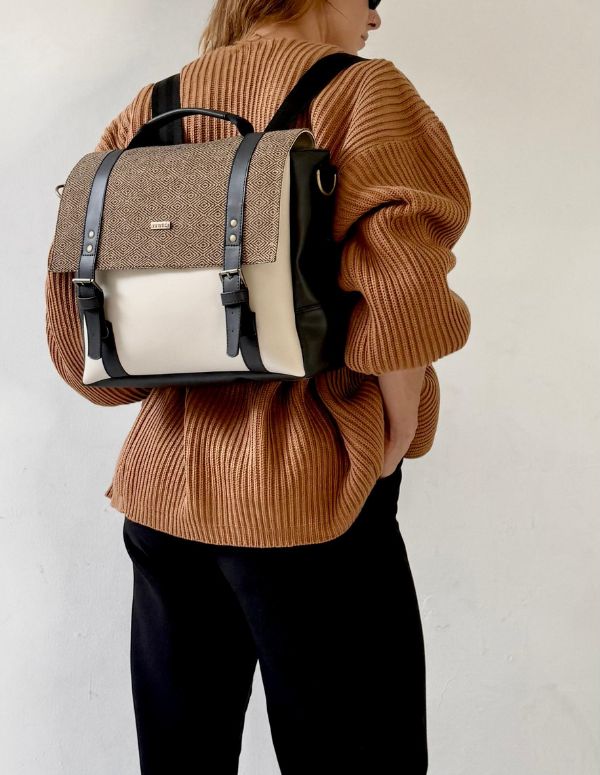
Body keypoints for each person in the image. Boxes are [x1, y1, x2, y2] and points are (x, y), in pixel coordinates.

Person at [45, 1, 472, 772]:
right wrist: (399, 430)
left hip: (163, 496)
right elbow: (402, 289)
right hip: (313, 495)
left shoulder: (154, 107)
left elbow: (74, 319)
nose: (376, 19)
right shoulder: (362, 92)